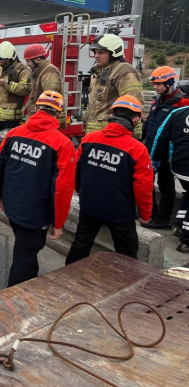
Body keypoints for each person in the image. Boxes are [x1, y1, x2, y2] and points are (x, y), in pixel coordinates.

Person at [0, 91, 75, 287]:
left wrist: (0, 195)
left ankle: (30, 281)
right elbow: (62, 188)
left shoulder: (14, 133)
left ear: (36, 109)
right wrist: (58, 221)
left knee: (26, 250)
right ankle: (14, 296)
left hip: (13, 206)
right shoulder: (63, 144)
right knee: (25, 254)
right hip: (35, 214)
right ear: (58, 114)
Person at [66, 96, 153, 267]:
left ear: (112, 114)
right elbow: (143, 187)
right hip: (120, 212)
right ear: (135, 119)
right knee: (127, 254)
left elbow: (77, 168)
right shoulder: (137, 149)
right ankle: (124, 288)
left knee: (81, 244)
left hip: (90, 204)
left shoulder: (90, 139)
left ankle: (66, 277)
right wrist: (145, 215)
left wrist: (78, 189)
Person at [142, 66, 189, 229]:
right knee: (146, 183)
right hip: (151, 149)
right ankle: (151, 213)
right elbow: (150, 122)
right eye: (154, 84)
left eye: (159, 84)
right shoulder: (157, 100)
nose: (155, 87)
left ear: (170, 82)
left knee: (165, 185)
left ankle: (163, 219)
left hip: (167, 154)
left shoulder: (182, 103)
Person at [82, 33, 143, 136]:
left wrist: (133, 136)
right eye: (95, 52)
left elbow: (134, 105)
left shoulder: (125, 72)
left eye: (101, 52)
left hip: (113, 135)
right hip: (95, 136)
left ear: (114, 52)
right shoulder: (98, 73)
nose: (96, 56)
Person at [151, 97, 189, 251]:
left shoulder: (177, 113)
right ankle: (185, 240)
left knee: (188, 192)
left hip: (179, 165)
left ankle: (179, 223)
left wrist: (156, 158)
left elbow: (161, 137)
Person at [0, 41, 31, 133]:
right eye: (0, 61)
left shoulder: (23, 70)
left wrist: (6, 84)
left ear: (12, 58)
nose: (2, 63)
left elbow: (25, 90)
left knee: (7, 145)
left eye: (4, 60)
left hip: (10, 119)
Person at [23, 44, 62, 117]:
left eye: (28, 61)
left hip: (43, 119)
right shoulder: (39, 71)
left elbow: (49, 100)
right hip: (39, 117)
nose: (27, 64)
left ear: (38, 60)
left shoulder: (49, 71)